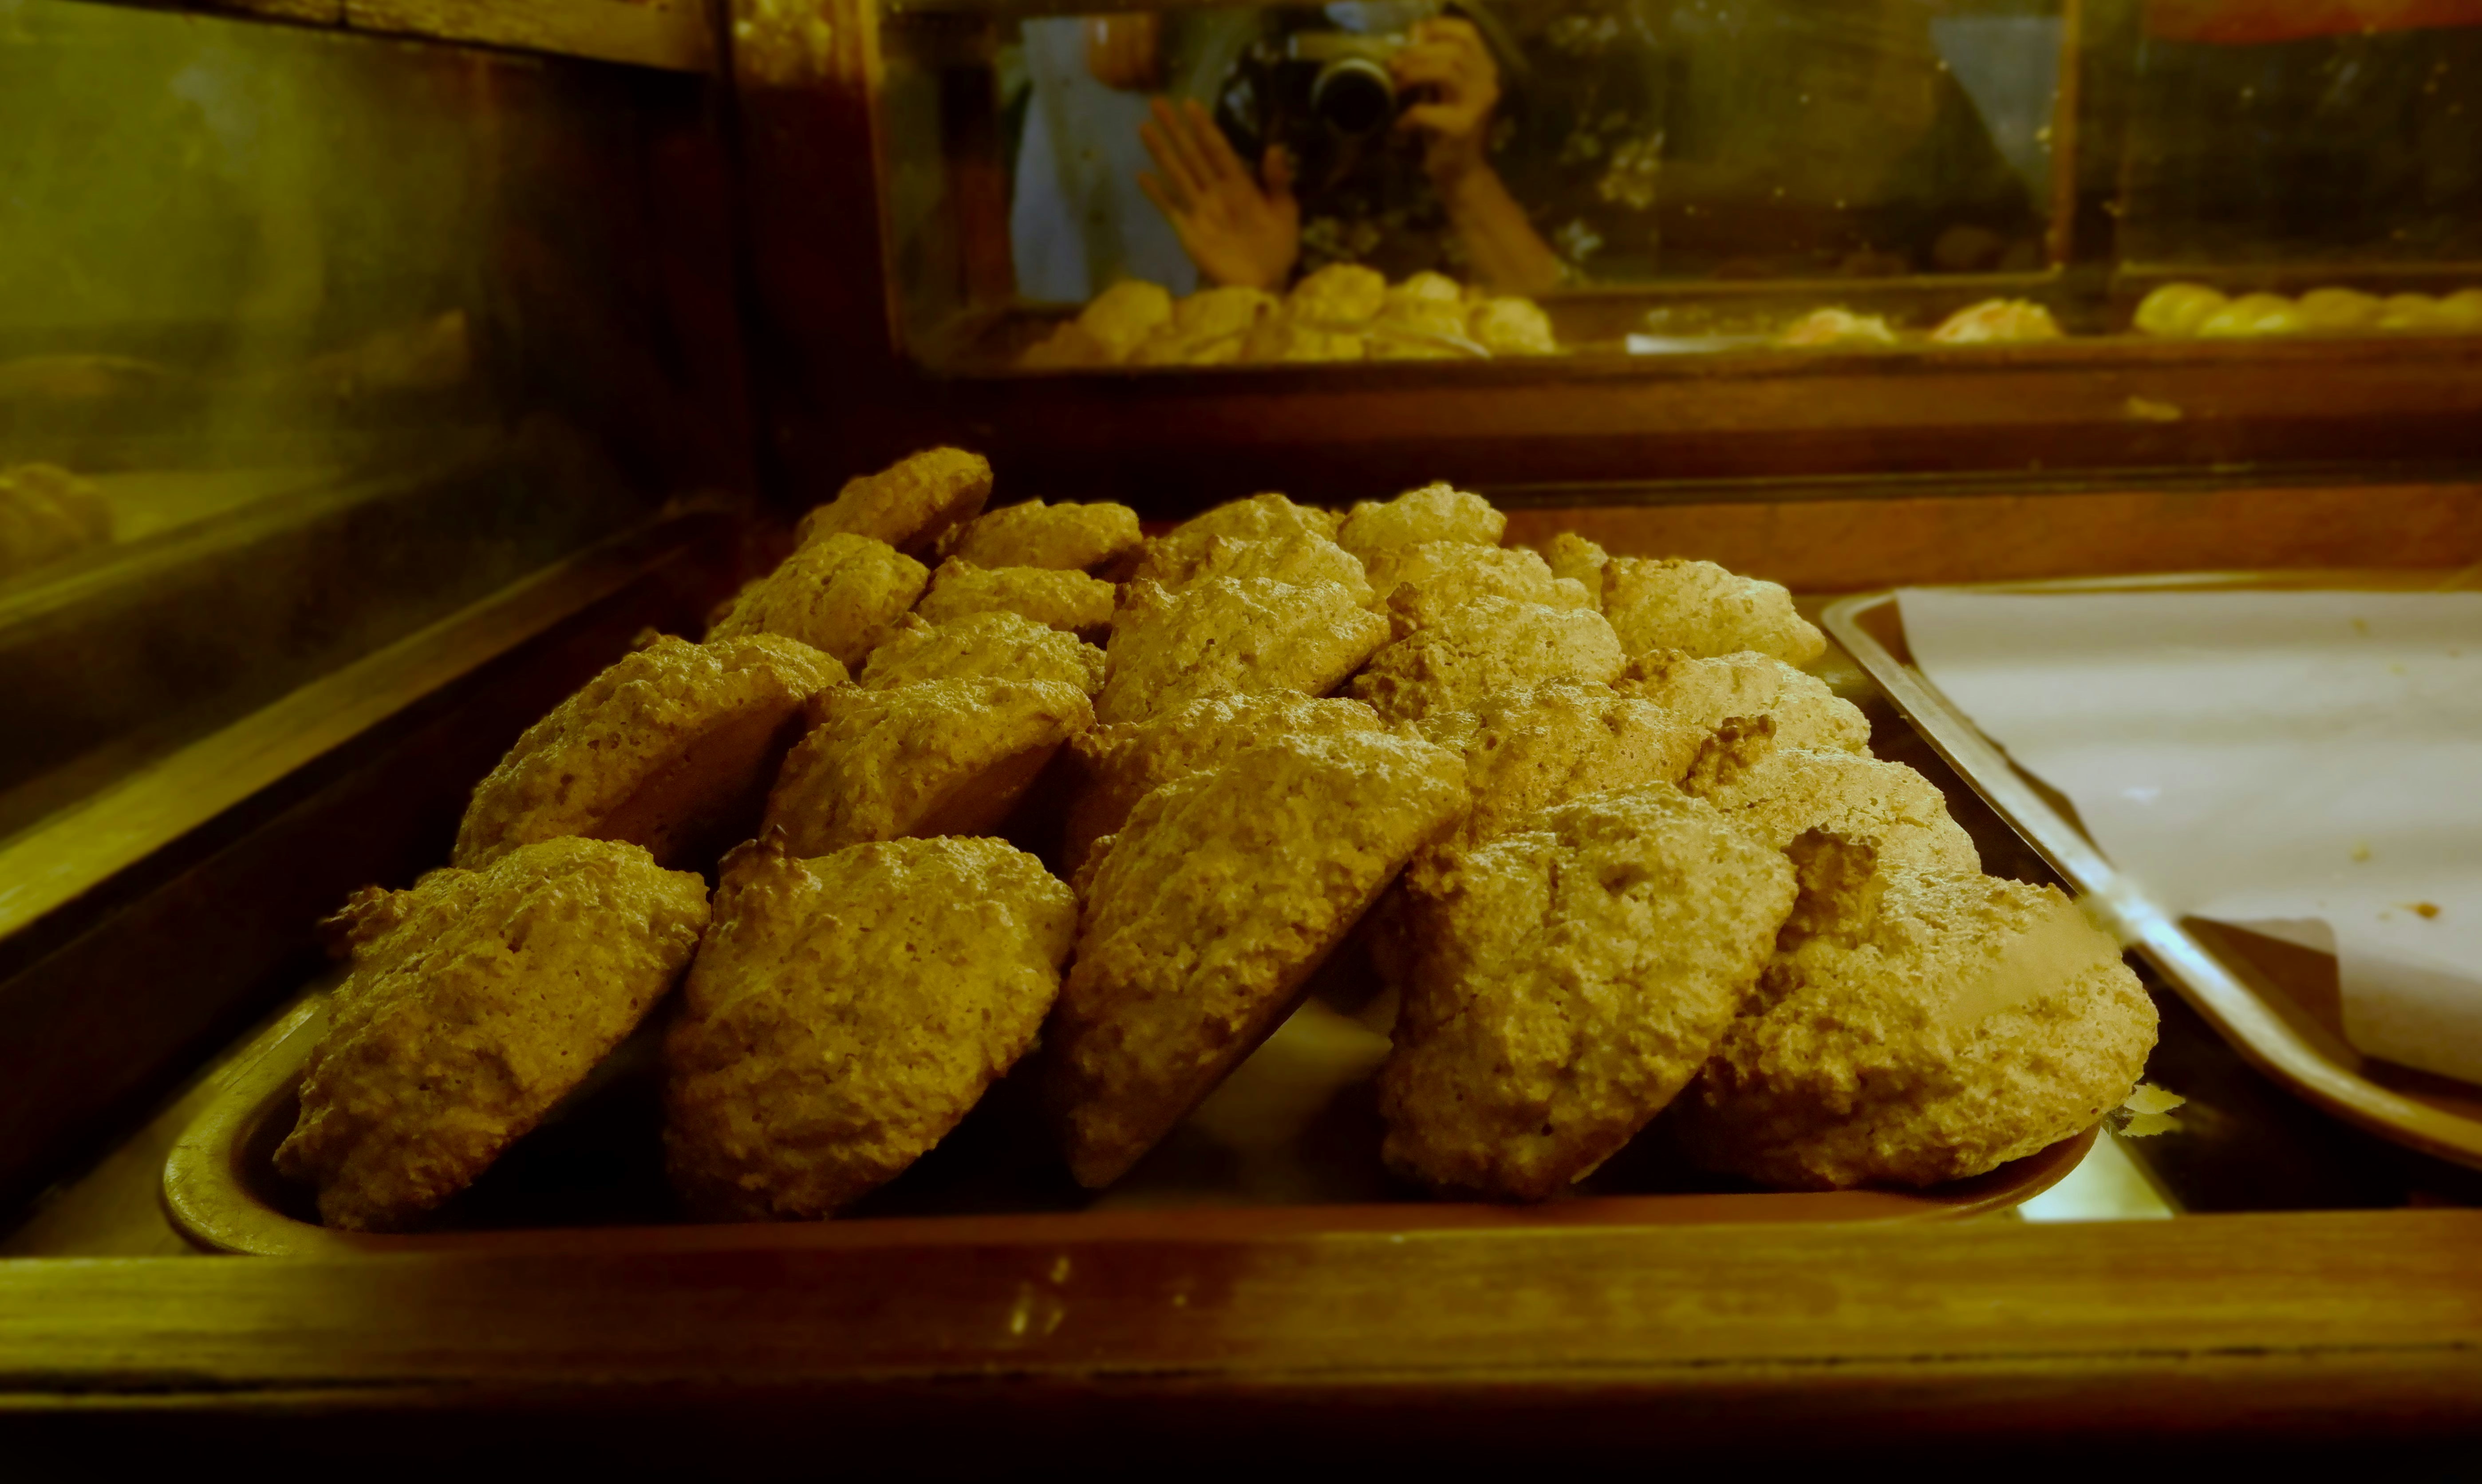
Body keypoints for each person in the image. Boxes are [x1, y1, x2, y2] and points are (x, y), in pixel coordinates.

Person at [1135, 3, 1666, 294]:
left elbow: (1604, 341)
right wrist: (1256, 289)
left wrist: (1467, 181)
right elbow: (1235, 343)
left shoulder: (1589, 58)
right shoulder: (1278, 53)